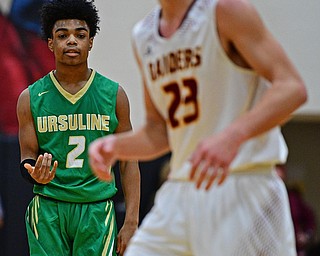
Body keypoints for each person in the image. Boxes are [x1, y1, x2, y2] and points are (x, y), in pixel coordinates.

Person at [89, 0, 307, 255]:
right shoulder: (144, 35)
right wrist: (116, 146)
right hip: (180, 190)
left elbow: (292, 88)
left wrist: (233, 136)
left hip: (242, 185)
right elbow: (159, 130)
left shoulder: (225, 11)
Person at [16, 0, 140, 255]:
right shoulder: (30, 97)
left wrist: (131, 222)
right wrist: (34, 173)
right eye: (62, 35)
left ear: (90, 42)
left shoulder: (114, 95)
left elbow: (128, 162)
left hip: (96, 209)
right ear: (51, 43)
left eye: (80, 35)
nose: (71, 41)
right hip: (49, 209)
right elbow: (27, 156)